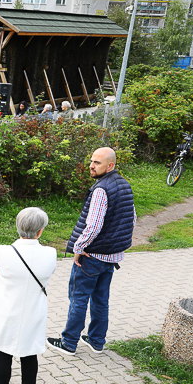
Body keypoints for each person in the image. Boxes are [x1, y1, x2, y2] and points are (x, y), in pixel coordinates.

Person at [47, 147, 136, 355]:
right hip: (111, 257)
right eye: (91, 161)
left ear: (110, 166)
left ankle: (69, 342)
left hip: (92, 256)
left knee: (79, 298)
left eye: (97, 162)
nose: (91, 165)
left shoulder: (101, 189)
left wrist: (79, 247)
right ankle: (97, 341)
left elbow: (93, 226)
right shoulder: (124, 185)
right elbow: (132, 219)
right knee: (101, 299)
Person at [0, 208, 57, 384]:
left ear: (18, 227)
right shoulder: (50, 254)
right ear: (40, 231)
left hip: (6, 309)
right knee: (29, 353)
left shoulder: (3, 252)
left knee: (3, 353)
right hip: (34, 309)